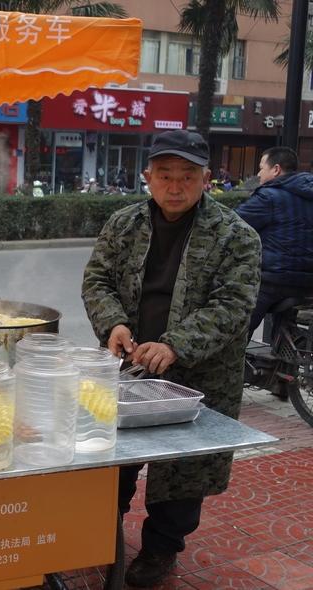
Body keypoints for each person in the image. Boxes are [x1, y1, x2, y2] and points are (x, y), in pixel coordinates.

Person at [82, 129, 261, 588]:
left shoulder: (234, 236)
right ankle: (101, 536)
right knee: (110, 465)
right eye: (165, 175)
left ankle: (160, 551)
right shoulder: (124, 224)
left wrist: (176, 343)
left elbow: (234, 304)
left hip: (198, 377)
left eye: (188, 176)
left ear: (206, 180)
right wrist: (113, 325)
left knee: (182, 476)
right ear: (148, 177)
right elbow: (97, 279)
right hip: (128, 370)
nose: (175, 186)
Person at [234, 146, 313, 337]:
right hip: (308, 280)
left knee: (236, 326)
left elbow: (231, 225)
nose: (259, 173)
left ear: (276, 169)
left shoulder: (269, 197)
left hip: (273, 279)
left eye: (262, 167)